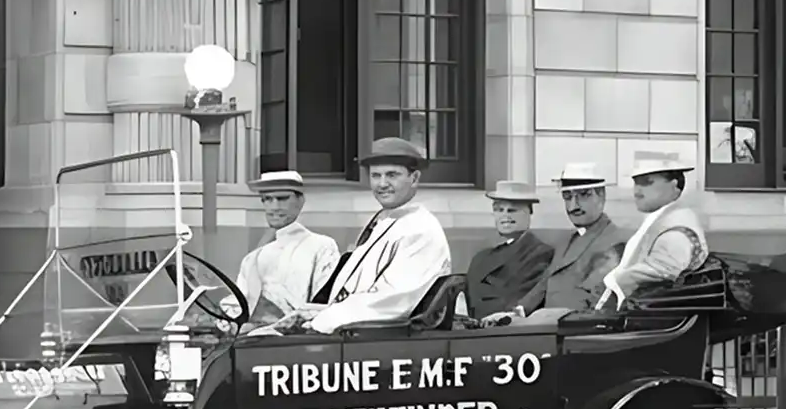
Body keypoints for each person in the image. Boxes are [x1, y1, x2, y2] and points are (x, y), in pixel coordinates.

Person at [269, 138, 452, 336]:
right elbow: (358, 291)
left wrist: (324, 320)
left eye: (392, 175)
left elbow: (392, 301)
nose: (382, 184)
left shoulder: (420, 229)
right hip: (354, 330)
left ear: (414, 178)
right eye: (375, 175)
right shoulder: (386, 222)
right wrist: (314, 311)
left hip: (385, 342)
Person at [486, 162, 627, 321]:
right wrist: (515, 314)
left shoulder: (614, 242)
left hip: (576, 333)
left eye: (583, 195)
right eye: (568, 197)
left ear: (601, 195)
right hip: (547, 331)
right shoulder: (566, 240)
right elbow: (545, 284)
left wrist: (543, 318)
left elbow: (596, 305)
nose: (574, 206)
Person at [597, 151, 710, 311]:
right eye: (636, 182)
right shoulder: (662, 217)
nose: (637, 190)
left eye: (647, 182)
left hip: (652, 318)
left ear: (674, 185)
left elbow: (663, 270)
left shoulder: (677, 228)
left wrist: (617, 280)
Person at [233, 170, 340, 326]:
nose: (274, 207)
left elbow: (325, 304)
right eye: (268, 199)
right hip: (253, 341)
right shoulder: (251, 259)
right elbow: (238, 306)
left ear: (300, 201)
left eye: (282, 199)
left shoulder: (321, 246)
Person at [460, 180, 553, 321]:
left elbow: (513, 299)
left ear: (529, 213)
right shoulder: (481, 257)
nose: (505, 216)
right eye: (499, 210)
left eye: (512, 210)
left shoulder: (540, 254)